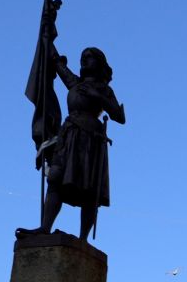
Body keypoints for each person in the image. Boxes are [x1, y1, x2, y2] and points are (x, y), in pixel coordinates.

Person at [36, 46, 126, 239]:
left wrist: (98, 97)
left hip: (90, 138)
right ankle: (45, 228)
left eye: (89, 57)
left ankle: (83, 239)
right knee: (55, 178)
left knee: (88, 189)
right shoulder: (75, 83)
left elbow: (119, 116)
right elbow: (56, 62)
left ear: (99, 63)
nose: (84, 60)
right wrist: (47, 30)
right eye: (82, 57)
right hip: (69, 135)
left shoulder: (104, 89)